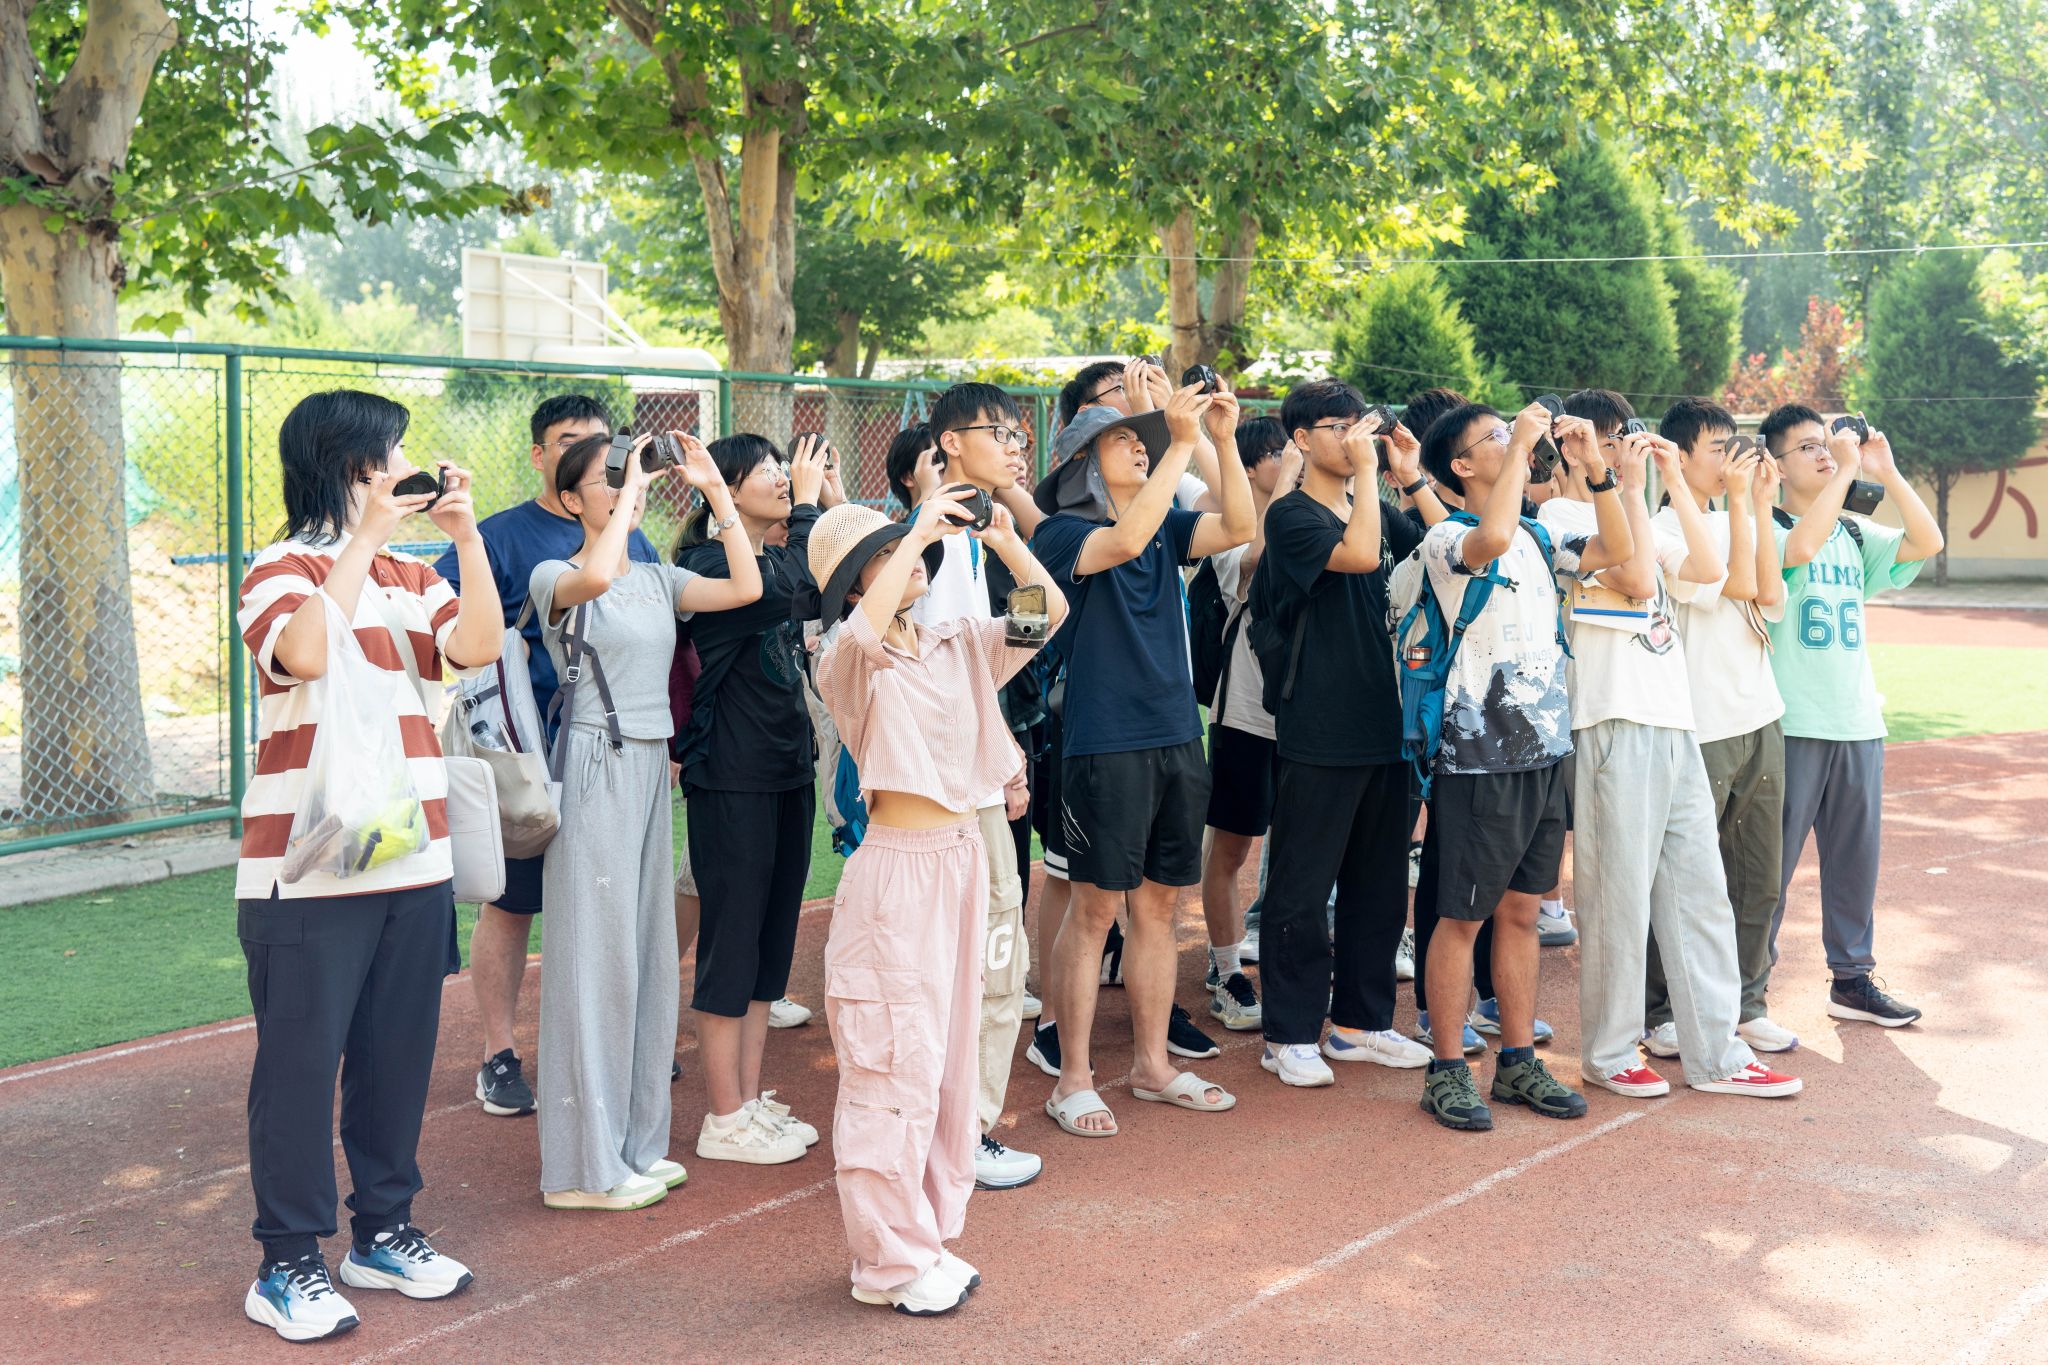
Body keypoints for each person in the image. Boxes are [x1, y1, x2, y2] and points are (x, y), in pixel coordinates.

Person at [235, 390, 501, 1340]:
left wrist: (465, 539)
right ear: (348, 465)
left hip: (414, 858)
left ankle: (383, 1232)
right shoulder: (278, 567)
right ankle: (287, 1260)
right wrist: (362, 541)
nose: (404, 467)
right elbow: (304, 653)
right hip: (306, 867)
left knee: (396, 1062)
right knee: (300, 1070)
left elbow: (477, 646)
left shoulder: (413, 572)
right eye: (389, 454)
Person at [810, 491, 1068, 1314]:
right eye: (887, 553)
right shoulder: (845, 656)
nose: (912, 556)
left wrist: (1006, 539)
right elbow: (860, 636)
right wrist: (918, 526)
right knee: (894, 1066)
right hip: (896, 877)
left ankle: (921, 1236)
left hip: (960, 860)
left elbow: (1046, 615)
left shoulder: (954, 642)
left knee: (947, 1066)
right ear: (857, 581)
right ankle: (885, 1262)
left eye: (909, 546)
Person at [1541, 390, 1800, 1102]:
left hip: (1674, 716)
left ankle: (1717, 1050)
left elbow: (1711, 573)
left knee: (1701, 894)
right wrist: (1623, 485)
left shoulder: (1642, 512)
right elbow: (1632, 575)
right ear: (1573, 447)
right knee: (1618, 897)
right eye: (1608, 438)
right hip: (1611, 715)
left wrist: (1669, 482)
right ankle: (1609, 1050)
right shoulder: (1558, 519)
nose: (1625, 447)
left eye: (1626, 436)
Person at [530, 433, 763, 1209]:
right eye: (603, 480)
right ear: (572, 500)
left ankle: (633, 1144)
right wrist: (633, 487)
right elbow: (597, 574)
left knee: (646, 956)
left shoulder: (662, 578)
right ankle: (583, 1167)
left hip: (652, 767)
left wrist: (715, 490)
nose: (624, 488)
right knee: (593, 960)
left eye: (625, 476)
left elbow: (746, 586)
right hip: (594, 763)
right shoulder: (556, 574)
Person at [1029, 380, 1255, 1139]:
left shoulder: (1163, 524)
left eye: (1143, 439)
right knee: (1096, 908)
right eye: (1123, 439)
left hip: (1176, 735)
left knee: (1159, 906)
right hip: (1105, 741)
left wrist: (1223, 438)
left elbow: (1241, 525)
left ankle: (1151, 1066)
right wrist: (1182, 441)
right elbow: (1123, 542)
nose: (1140, 446)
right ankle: (1072, 1078)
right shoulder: (1062, 533)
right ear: (1083, 464)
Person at [1411, 400, 1630, 1131]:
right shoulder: (1447, 536)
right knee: (1461, 917)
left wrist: (1596, 468)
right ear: (1460, 466)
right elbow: (1493, 534)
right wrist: (1525, 443)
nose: (1513, 440)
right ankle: (1447, 1068)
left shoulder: (1540, 535)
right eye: (1495, 437)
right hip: (1478, 756)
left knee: (1522, 911)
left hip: (1544, 750)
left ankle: (1516, 1061)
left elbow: (1619, 550)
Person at [435, 394, 652, 1119]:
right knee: (512, 903)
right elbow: (441, 623)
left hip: (611, 752)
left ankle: (607, 1042)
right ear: (540, 456)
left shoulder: (636, 536)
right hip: (526, 755)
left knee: (608, 900)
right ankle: (498, 1054)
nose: (589, 454)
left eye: (602, 443)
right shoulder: (499, 537)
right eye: (568, 442)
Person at [1247, 380, 1445, 1086]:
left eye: (1360, 426)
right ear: (1301, 439)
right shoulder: (1292, 516)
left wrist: (1410, 475)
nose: (1356, 437)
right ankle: (1289, 1033)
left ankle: (1362, 1024)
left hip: (1388, 723)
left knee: (1379, 884)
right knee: (1303, 886)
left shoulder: (1377, 509)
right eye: (1339, 426)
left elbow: (1448, 546)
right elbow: (1359, 556)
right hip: (1321, 722)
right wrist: (1367, 471)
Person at [674, 433, 834, 1164]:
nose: (783, 476)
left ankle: (747, 1097)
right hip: (731, 775)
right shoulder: (711, 564)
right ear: (726, 489)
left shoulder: (773, 553)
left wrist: (826, 503)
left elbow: (830, 579)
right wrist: (806, 508)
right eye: (766, 469)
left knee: (771, 946)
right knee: (732, 942)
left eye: (783, 467)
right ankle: (722, 1116)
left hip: (785, 768)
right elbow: (790, 587)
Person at [1761, 403, 1943, 1026]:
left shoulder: (1854, 534)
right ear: (1776, 465)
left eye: (1827, 444)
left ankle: (1852, 979)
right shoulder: (1766, 524)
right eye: (1808, 447)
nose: (1824, 453)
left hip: (1858, 721)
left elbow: (1928, 541)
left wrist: (1885, 471)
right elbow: (1800, 546)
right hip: (1790, 723)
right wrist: (1844, 471)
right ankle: (1747, 988)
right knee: (1769, 871)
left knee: (1855, 866)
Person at [912, 385, 1047, 1193]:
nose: (1016, 447)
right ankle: (951, 1135)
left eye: (1019, 434)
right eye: (1000, 433)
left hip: (978, 787)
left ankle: (962, 1129)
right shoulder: (924, 545)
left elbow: (1027, 633)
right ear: (953, 443)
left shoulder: (973, 544)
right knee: (966, 968)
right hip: (938, 799)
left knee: (997, 962)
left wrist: (1008, 546)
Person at [1647, 398, 1799, 1055]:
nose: (1732, 458)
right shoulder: (1663, 527)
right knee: (1686, 878)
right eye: (1717, 447)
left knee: (1758, 877)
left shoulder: (1741, 514)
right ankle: (1664, 1010)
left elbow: (1769, 593)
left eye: (1734, 445)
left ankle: (1747, 1002)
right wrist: (1742, 503)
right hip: (1699, 723)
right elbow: (1731, 583)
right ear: (1679, 457)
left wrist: (1757, 506)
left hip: (1761, 714)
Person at [1195, 416, 1297, 1036]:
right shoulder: (1230, 527)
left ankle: (1286, 960)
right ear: (1256, 465)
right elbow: (1258, 559)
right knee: (1230, 848)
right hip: (1245, 713)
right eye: (1282, 453)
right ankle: (1227, 968)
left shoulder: (1314, 514)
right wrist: (1291, 480)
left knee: (1299, 847)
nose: (1294, 459)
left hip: (1306, 714)